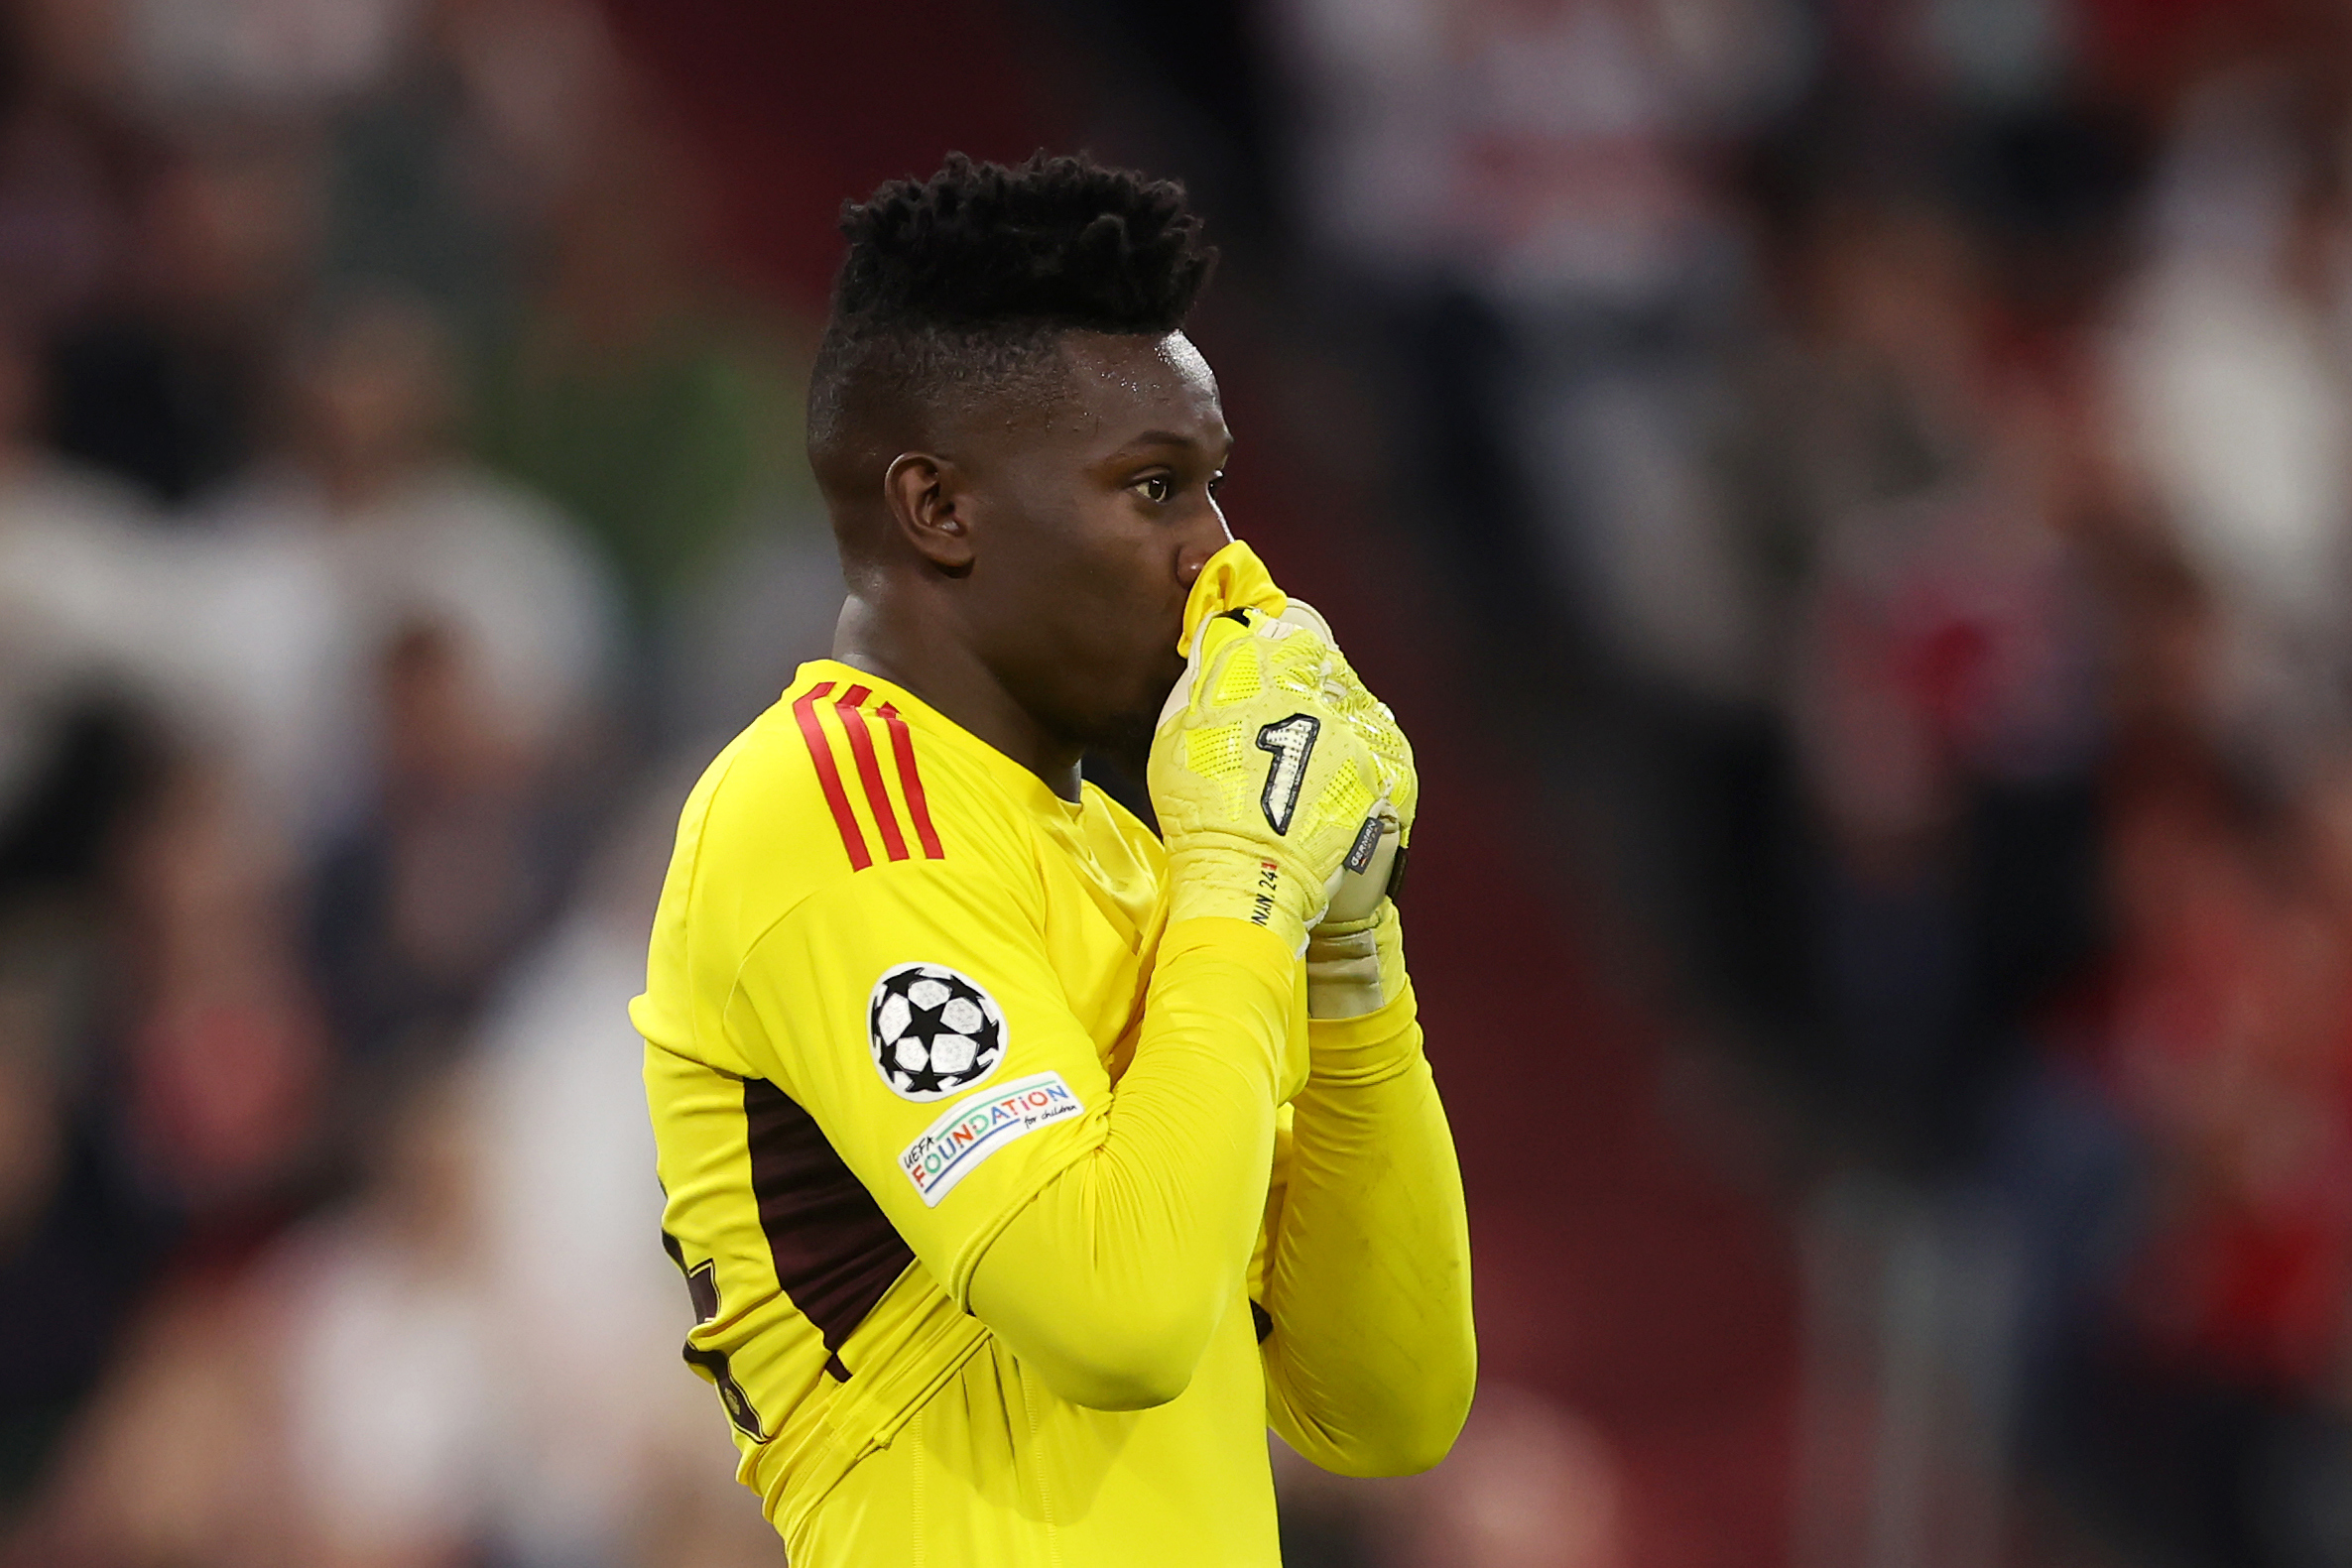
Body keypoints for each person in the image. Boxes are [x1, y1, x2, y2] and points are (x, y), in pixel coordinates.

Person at [632, 152, 1474, 1566]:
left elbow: (1386, 1401)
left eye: (1211, 485)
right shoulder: (829, 808)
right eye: (1154, 489)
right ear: (940, 510)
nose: (1218, 555)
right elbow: (1119, 1315)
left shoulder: (1146, 871)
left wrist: (1343, 938)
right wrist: (1249, 884)